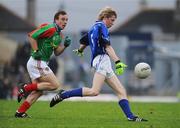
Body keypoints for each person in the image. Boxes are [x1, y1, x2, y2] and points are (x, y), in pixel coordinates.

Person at [50, 7, 147, 122]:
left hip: (102, 61)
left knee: (121, 91)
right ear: (105, 17)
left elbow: (85, 41)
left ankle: (130, 116)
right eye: (112, 20)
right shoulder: (102, 27)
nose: (113, 23)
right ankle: (64, 94)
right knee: (94, 91)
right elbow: (108, 47)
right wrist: (118, 62)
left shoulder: (93, 27)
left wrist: (80, 50)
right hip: (102, 59)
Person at [14, 10, 71, 118]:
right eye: (62, 19)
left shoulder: (59, 35)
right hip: (37, 62)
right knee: (55, 85)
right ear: (56, 20)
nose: (65, 22)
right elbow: (31, 36)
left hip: (38, 63)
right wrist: (36, 51)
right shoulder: (50, 28)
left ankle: (20, 112)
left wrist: (65, 46)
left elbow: (57, 52)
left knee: (38, 92)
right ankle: (25, 88)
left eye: (66, 20)